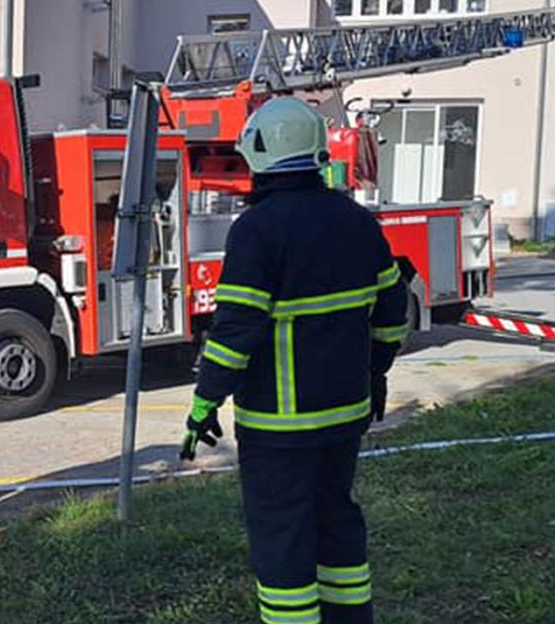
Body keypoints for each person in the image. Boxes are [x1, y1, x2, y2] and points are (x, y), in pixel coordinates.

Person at [179, 97, 406, 624]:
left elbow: (235, 332)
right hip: (345, 415)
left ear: (260, 152)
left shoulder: (256, 231)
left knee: (283, 541)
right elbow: (392, 311)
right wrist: (376, 373)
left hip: (278, 425)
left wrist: (204, 403)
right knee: (336, 525)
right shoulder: (357, 221)